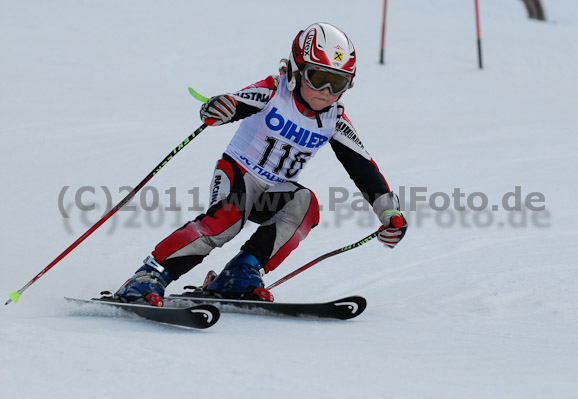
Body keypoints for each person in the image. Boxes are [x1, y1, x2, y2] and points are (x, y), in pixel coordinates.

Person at [115, 22, 407, 305]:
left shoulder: (335, 120)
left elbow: (364, 169)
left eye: (339, 83)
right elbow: (237, 102)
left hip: (273, 192)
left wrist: (388, 211)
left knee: (306, 204)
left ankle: (241, 272)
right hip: (239, 174)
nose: (327, 91)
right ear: (296, 71)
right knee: (224, 222)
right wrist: (221, 108)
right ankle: (150, 274)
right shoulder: (274, 92)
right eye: (319, 79)